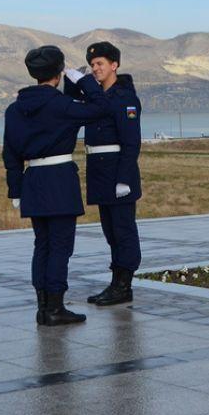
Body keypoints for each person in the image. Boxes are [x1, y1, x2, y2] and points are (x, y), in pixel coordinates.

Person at [3, 45, 111, 326]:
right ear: (59, 72)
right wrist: (84, 80)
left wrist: (15, 190)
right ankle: (55, 307)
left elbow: (10, 154)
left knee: (43, 245)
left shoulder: (14, 110)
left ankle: (43, 306)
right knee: (60, 247)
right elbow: (101, 107)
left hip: (33, 181)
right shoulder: (61, 106)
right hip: (60, 180)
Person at [65, 41, 143, 306]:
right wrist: (73, 82)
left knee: (123, 230)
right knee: (111, 231)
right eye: (92, 65)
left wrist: (123, 178)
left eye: (100, 64)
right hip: (100, 171)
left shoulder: (124, 98)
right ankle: (116, 283)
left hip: (117, 172)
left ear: (114, 65)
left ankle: (123, 284)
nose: (95, 69)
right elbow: (75, 105)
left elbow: (131, 143)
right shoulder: (98, 97)